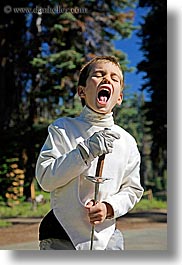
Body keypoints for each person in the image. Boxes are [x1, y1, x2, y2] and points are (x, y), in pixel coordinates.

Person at [35, 55, 144, 250]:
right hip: (60, 236)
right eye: (98, 74)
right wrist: (84, 153)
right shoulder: (63, 129)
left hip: (107, 237)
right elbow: (45, 179)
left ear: (119, 97)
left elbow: (132, 190)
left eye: (114, 78)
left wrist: (109, 207)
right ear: (82, 91)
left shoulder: (127, 141)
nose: (106, 79)